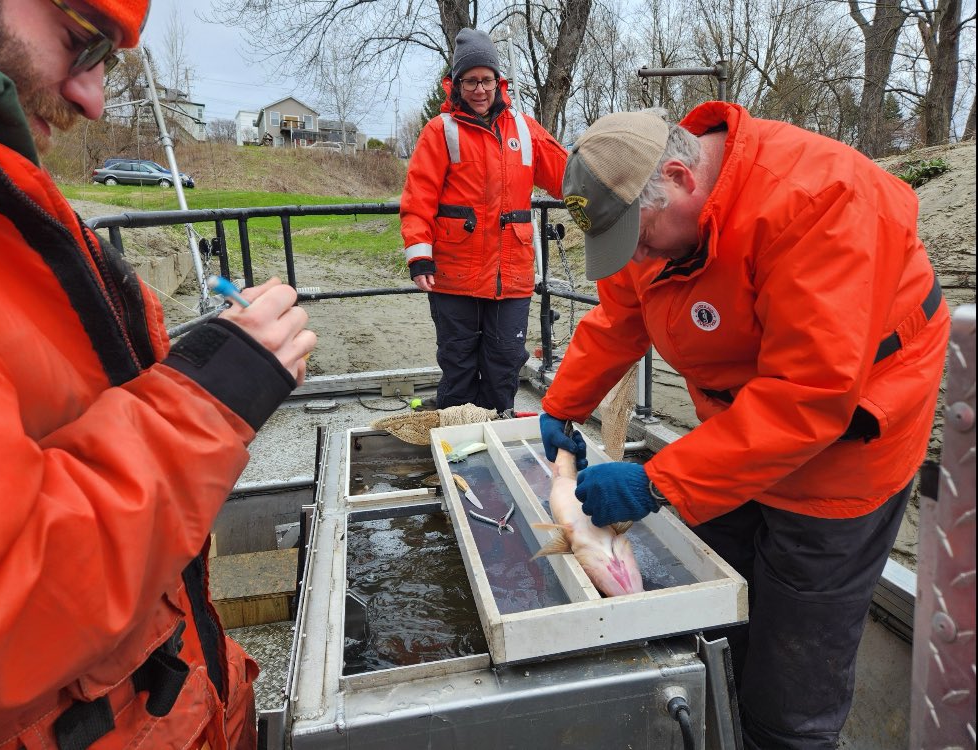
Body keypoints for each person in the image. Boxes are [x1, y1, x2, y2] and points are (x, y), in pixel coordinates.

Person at [540, 106, 949, 748]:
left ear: (679, 176)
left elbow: (808, 395)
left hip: (846, 442)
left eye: (640, 241)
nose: (637, 257)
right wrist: (563, 405)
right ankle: (721, 710)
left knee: (795, 670)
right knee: (718, 605)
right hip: (737, 430)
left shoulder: (818, 201)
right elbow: (621, 314)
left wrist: (659, 482)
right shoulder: (652, 213)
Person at [0, 1, 317, 747]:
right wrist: (207, 400)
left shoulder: (3, 196)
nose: (93, 98)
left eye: (107, 60)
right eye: (78, 42)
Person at [400, 28, 567, 414]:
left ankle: (496, 434)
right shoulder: (439, 131)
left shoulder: (525, 129)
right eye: (470, 81)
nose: (479, 89)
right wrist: (419, 257)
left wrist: (609, 180)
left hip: (511, 276)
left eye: (486, 80)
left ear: (498, 82)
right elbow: (417, 200)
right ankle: (454, 440)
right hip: (454, 274)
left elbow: (567, 175)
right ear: (456, 85)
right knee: (458, 360)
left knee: (506, 358)